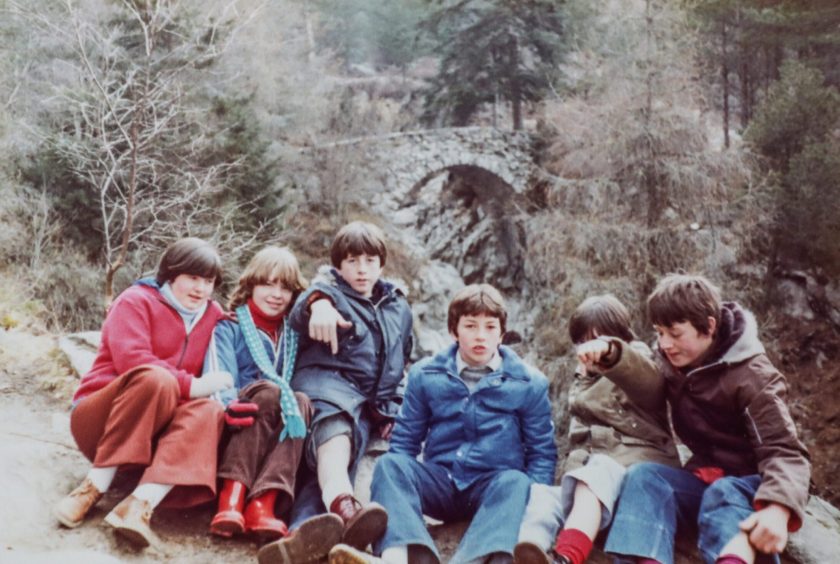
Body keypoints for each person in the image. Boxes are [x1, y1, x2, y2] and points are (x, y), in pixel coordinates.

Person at [330, 283, 557, 564]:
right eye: (471, 326)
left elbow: (542, 454)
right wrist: (400, 491)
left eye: (490, 327)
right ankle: (398, 557)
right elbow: (405, 442)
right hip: (441, 483)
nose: (480, 336)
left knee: (517, 481)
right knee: (390, 465)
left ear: (502, 333)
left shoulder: (528, 382)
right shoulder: (426, 374)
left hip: (494, 488)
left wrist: (529, 514)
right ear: (453, 331)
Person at [603, 274, 811, 564]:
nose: (665, 344)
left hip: (752, 486)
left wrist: (778, 508)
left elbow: (785, 451)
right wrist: (614, 357)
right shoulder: (672, 362)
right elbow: (647, 384)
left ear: (709, 327)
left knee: (723, 492)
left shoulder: (752, 376)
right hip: (706, 477)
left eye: (675, 334)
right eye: (659, 332)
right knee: (645, 477)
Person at [54, 237, 233, 548]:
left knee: (210, 410)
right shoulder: (135, 300)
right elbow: (132, 359)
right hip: (100, 419)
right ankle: (93, 487)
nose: (201, 289)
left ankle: (139, 505)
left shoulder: (214, 314)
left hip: (153, 436)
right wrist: (192, 385)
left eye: (209, 281)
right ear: (171, 274)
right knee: (157, 378)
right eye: (192, 278)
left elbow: (241, 333)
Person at [258, 221, 413, 564]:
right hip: (324, 388)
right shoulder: (326, 292)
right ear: (339, 266)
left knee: (340, 465)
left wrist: (394, 406)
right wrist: (319, 304)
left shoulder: (398, 308)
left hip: (369, 404)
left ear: (381, 264)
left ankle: (300, 536)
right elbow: (303, 310)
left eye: (370, 261)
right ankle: (346, 506)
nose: (361, 269)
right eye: (352, 261)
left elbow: (402, 364)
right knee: (336, 434)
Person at [513, 294, 680, 564]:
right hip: (595, 477)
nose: (588, 348)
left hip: (637, 467)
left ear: (619, 337)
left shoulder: (639, 360)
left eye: (596, 339)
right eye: (582, 341)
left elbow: (648, 383)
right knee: (545, 494)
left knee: (596, 473)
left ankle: (566, 557)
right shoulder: (582, 380)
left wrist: (610, 353)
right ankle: (534, 551)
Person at [204, 245, 346, 554]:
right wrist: (228, 404)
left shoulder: (295, 333)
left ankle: (263, 503)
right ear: (251, 285)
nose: (276, 294)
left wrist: (320, 303)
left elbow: (329, 289)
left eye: (285, 287)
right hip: (238, 424)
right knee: (270, 392)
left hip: (280, 431)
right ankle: (231, 497)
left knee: (301, 400)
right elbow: (218, 376)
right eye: (268, 283)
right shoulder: (229, 327)